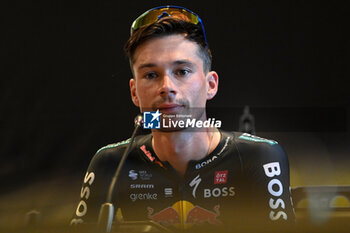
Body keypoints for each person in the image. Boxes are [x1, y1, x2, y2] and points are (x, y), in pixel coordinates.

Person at [70, 5, 295, 233]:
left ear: (211, 85)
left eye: (182, 71)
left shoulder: (259, 157)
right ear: (134, 92)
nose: (167, 87)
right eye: (151, 75)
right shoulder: (111, 163)